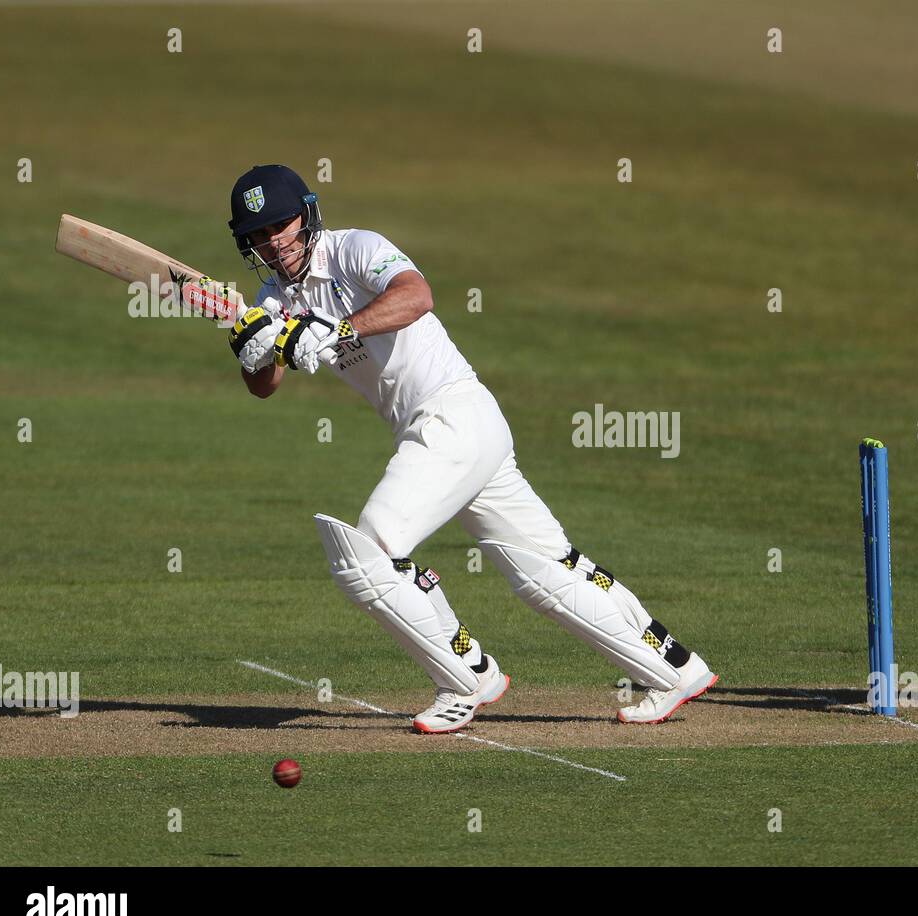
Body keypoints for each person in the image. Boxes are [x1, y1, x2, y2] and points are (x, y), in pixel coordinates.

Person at [224, 164, 717, 732]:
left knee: (368, 554)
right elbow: (264, 385)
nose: (274, 243)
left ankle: (467, 676)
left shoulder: (355, 249)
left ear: (306, 217)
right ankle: (673, 670)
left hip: (453, 415)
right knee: (544, 570)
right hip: (445, 432)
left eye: (281, 226)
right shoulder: (273, 297)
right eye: (258, 235)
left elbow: (416, 296)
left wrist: (334, 330)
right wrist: (253, 350)